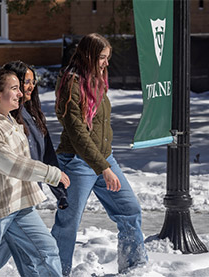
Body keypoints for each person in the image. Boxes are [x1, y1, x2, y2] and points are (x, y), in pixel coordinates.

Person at [51, 33, 148, 275]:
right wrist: (103, 168)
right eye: (102, 58)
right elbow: (78, 133)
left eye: (107, 58)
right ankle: (54, 272)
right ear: (89, 56)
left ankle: (134, 268)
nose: (106, 63)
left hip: (104, 158)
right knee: (68, 224)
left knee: (130, 210)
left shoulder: (95, 81)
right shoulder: (71, 83)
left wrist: (105, 163)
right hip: (76, 162)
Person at [0, 68, 70, 277]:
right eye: (14, 88)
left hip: (18, 203)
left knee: (46, 250)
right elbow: (10, 163)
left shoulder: (10, 121)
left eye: (19, 88)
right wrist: (51, 173)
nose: (20, 93)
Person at [4, 60, 69, 210]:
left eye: (33, 82)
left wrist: (60, 191)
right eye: (26, 82)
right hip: (9, 197)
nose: (31, 86)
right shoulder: (4, 118)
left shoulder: (32, 116)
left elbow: (47, 155)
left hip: (30, 194)